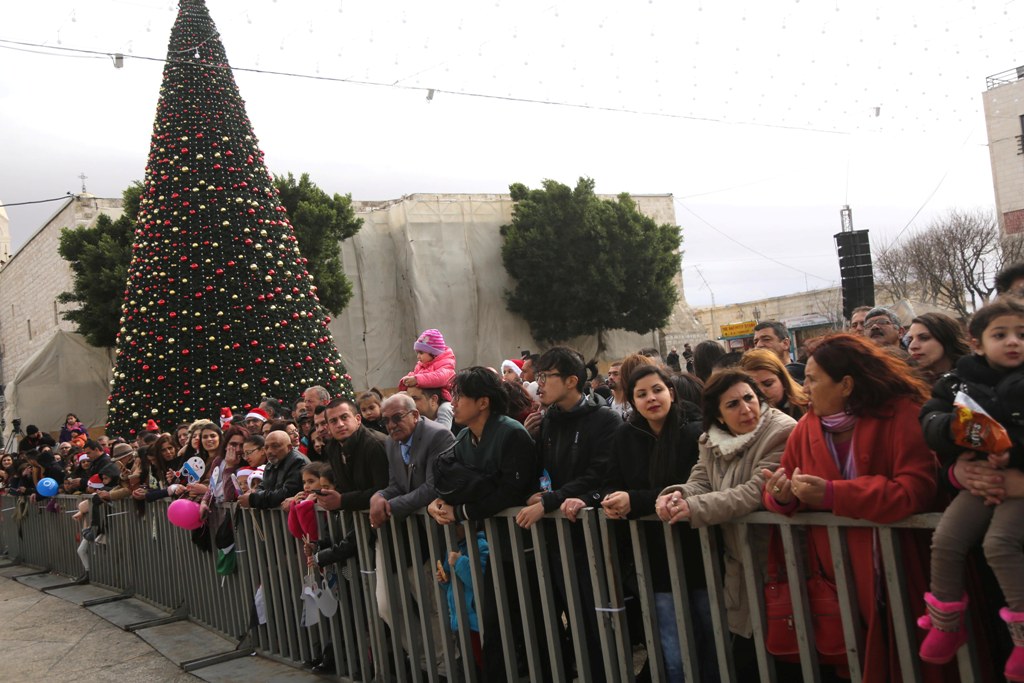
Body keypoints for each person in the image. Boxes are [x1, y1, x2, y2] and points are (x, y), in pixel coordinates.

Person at [763, 333, 940, 683]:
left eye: (812, 379)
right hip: (838, 581)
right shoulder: (806, 426)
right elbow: (788, 488)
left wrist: (833, 495)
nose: (805, 387)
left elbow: (915, 490)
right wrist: (781, 496)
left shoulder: (901, 413)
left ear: (845, 384)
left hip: (901, 570)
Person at [656, 369, 796, 677]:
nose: (746, 409)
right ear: (718, 416)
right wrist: (676, 496)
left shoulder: (782, 432)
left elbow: (753, 493)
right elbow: (701, 479)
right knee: (749, 661)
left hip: (783, 564)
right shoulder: (711, 440)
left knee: (789, 659)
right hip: (742, 568)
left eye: (749, 398)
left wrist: (693, 507)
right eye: (732, 405)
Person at [917, 299, 1024, 677]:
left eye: (1022, 334)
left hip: (1014, 487)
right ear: (976, 342)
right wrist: (959, 440)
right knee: (946, 539)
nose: (1013, 342)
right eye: (1001, 335)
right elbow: (931, 420)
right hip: (981, 483)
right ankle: (945, 621)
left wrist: (1010, 455)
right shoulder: (956, 382)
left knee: (999, 544)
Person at [602, 365, 713, 683]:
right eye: (641, 394)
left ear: (671, 393)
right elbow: (611, 481)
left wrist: (634, 500)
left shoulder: (696, 431)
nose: (651, 398)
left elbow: (689, 487)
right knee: (673, 654)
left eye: (657, 390)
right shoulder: (626, 435)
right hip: (654, 559)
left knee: (712, 644)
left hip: (701, 552)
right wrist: (613, 498)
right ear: (632, 401)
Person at [426, 366, 538, 681]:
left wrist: (461, 512)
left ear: (483, 402)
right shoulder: (464, 437)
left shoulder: (511, 432)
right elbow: (453, 482)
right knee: (493, 623)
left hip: (524, 544)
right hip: (489, 544)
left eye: (460, 396)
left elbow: (510, 491)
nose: (454, 402)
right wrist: (438, 502)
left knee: (531, 623)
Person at [517, 346, 621, 683]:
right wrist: (538, 491)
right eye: (538, 376)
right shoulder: (549, 421)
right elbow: (545, 472)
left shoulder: (604, 419)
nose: (538, 383)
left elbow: (599, 475)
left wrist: (549, 502)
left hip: (591, 539)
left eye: (546, 377)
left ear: (573, 380)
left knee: (599, 626)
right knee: (567, 622)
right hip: (555, 539)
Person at [369, 393, 456, 673]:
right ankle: (426, 663)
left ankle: (449, 665)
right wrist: (379, 497)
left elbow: (434, 487)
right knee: (394, 606)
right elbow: (396, 484)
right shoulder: (392, 445)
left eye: (398, 418)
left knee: (434, 606)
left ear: (416, 415)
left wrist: (390, 506)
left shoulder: (437, 436)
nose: (392, 425)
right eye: (386, 421)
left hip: (435, 535)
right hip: (408, 539)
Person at [238, 430, 307, 509]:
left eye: (275, 446)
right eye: (266, 447)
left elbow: (287, 493)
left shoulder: (297, 462)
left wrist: (253, 499)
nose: (269, 451)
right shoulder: (270, 464)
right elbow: (264, 486)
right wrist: (254, 491)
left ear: (289, 447)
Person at [739, 348, 808, 420]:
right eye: (753, 387)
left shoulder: (809, 407)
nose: (761, 391)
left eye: (768, 384)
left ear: (783, 380)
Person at [905, 312, 971, 385]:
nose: (912, 346)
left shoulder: (975, 379)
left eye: (924, 338)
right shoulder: (908, 385)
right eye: (910, 340)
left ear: (946, 338)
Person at [399, 328, 456, 401]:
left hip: (441, 400)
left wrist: (417, 380)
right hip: (422, 399)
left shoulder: (447, 365)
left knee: (445, 409)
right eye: (417, 353)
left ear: (434, 353)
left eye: (421, 353)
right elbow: (415, 374)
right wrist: (406, 380)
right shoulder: (420, 365)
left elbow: (439, 377)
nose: (418, 356)